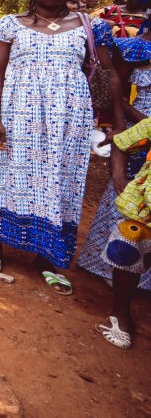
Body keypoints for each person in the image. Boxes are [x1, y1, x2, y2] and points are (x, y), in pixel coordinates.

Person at [0, 0, 117, 295]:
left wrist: (115, 121)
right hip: (17, 113)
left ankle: (45, 257)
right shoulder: (9, 25)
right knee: (7, 172)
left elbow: (108, 73)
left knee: (57, 178)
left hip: (68, 118)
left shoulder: (92, 26)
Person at [77, 23, 151, 293]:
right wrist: (143, 124)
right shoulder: (133, 48)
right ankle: (109, 264)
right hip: (139, 125)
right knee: (128, 190)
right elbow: (115, 91)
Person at [93, 116, 151, 350]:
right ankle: (121, 314)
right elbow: (122, 142)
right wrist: (118, 176)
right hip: (145, 210)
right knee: (129, 256)